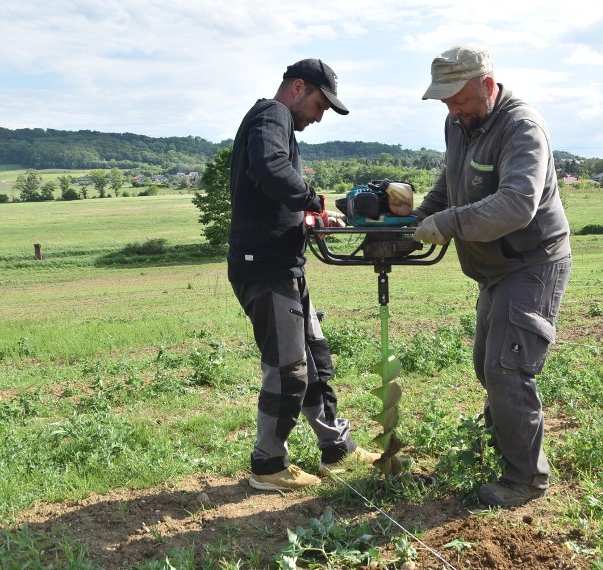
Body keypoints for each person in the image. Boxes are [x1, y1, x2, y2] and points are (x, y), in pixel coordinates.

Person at [414, 45, 572, 508]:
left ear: (487, 84)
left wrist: (447, 225)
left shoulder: (522, 127)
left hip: (531, 263)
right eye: (445, 102)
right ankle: (502, 448)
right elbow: (451, 180)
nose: (452, 109)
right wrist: (425, 213)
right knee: (488, 364)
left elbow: (517, 204)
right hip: (493, 269)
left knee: (507, 369)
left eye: (459, 99)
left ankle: (525, 480)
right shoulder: (459, 123)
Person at [228, 58, 380, 491]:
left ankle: (336, 447)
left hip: (286, 267)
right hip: (266, 270)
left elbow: (271, 192)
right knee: (288, 369)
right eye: (319, 105)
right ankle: (269, 465)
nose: (320, 116)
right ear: (298, 88)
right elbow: (270, 170)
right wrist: (312, 199)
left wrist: (307, 218)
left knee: (315, 360)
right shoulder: (270, 115)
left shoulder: (276, 123)